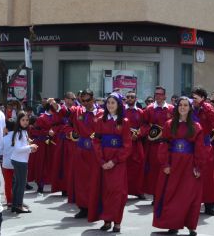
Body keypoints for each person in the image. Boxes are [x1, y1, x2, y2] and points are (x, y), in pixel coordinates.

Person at [152, 97, 204, 236]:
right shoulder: (169, 124)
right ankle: (172, 224)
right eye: (180, 105)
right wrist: (165, 163)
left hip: (188, 165)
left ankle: (191, 226)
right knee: (172, 195)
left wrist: (198, 167)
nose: (182, 107)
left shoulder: (196, 126)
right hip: (173, 164)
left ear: (190, 108)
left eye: (185, 105)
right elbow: (164, 144)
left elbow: (199, 148)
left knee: (189, 196)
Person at [50, 89, 103, 218]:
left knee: (95, 180)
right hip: (80, 150)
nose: (85, 103)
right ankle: (83, 207)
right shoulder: (77, 111)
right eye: (82, 100)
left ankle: (96, 207)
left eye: (87, 100)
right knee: (81, 180)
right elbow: (65, 118)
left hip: (96, 152)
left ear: (93, 98)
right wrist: (71, 133)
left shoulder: (101, 113)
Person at [88, 92, 132, 232]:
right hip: (103, 161)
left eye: (113, 103)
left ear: (118, 105)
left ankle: (117, 221)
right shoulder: (101, 120)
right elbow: (96, 141)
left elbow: (127, 146)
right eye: (108, 103)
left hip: (118, 163)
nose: (110, 105)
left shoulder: (124, 122)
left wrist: (114, 161)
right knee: (104, 191)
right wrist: (101, 161)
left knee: (118, 192)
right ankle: (107, 220)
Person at [191, 87, 214, 216]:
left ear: (202, 98)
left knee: (207, 176)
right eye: (193, 97)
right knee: (192, 175)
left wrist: (204, 106)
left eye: (196, 98)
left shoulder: (207, 108)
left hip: (205, 145)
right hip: (191, 145)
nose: (194, 100)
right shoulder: (190, 108)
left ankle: (209, 205)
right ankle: (192, 203)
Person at [142, 86, 174, 197]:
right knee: (154, 171)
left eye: (160, 94)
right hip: (153, 145)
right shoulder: (149, 109)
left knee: (167, 169)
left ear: (165, 96)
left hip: (167, 145)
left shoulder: (171, 109)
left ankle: (166, 195)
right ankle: (156, 195)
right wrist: (149, 133)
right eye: (156, 94)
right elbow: (144, 125)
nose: (158, 96)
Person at [10, 111, 38, 213]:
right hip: (19, 161)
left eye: (27, 120)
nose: (25, 122)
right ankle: (18, 205)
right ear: (18, 121)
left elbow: (22, 148)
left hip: (20, 160)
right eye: (23, 120)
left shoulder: (23, 132)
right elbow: (18, 149)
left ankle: (15, 204)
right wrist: (30, 146)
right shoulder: (18, 132)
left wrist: (30, 148)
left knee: (18, 184)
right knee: (21, 184)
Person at [50, 92, 76, 196]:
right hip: (63, 141)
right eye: (71, 99)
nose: (73, 101)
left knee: (73, 164)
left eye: (74, 99)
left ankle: (73, 187)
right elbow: (57, 110)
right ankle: (64, 188)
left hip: (73, 140)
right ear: (65, 99)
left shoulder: (76, 109)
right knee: (62, 164)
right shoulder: (60, 109)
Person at [123, 90, 146, 200]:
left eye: (132, 97)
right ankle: (124, 191)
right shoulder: (122, 111)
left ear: (136, 99)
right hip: (124, 143)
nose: (130, 99)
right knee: (125, 167)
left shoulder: (141, 112)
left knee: (139, 166)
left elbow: (144, 126)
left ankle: (138, 191)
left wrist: (138, 134)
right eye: (128, 97)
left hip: (137, 143)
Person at [28, 102, 54, 194]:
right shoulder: (41, 118)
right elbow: (35, 131)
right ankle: (40, 184)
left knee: (50, 164)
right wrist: (47, 132)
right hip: (42, 144)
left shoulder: (56, 116)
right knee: (41, 164)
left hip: (53, 144)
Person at [1, 121, 16, 206]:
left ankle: (9, 201)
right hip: (17, 163)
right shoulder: (18, 137)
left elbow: (1, 152)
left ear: (6, 129)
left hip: (6, 164)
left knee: (8, 183)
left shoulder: (4, 139)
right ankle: (17, 200)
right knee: (17, 183)